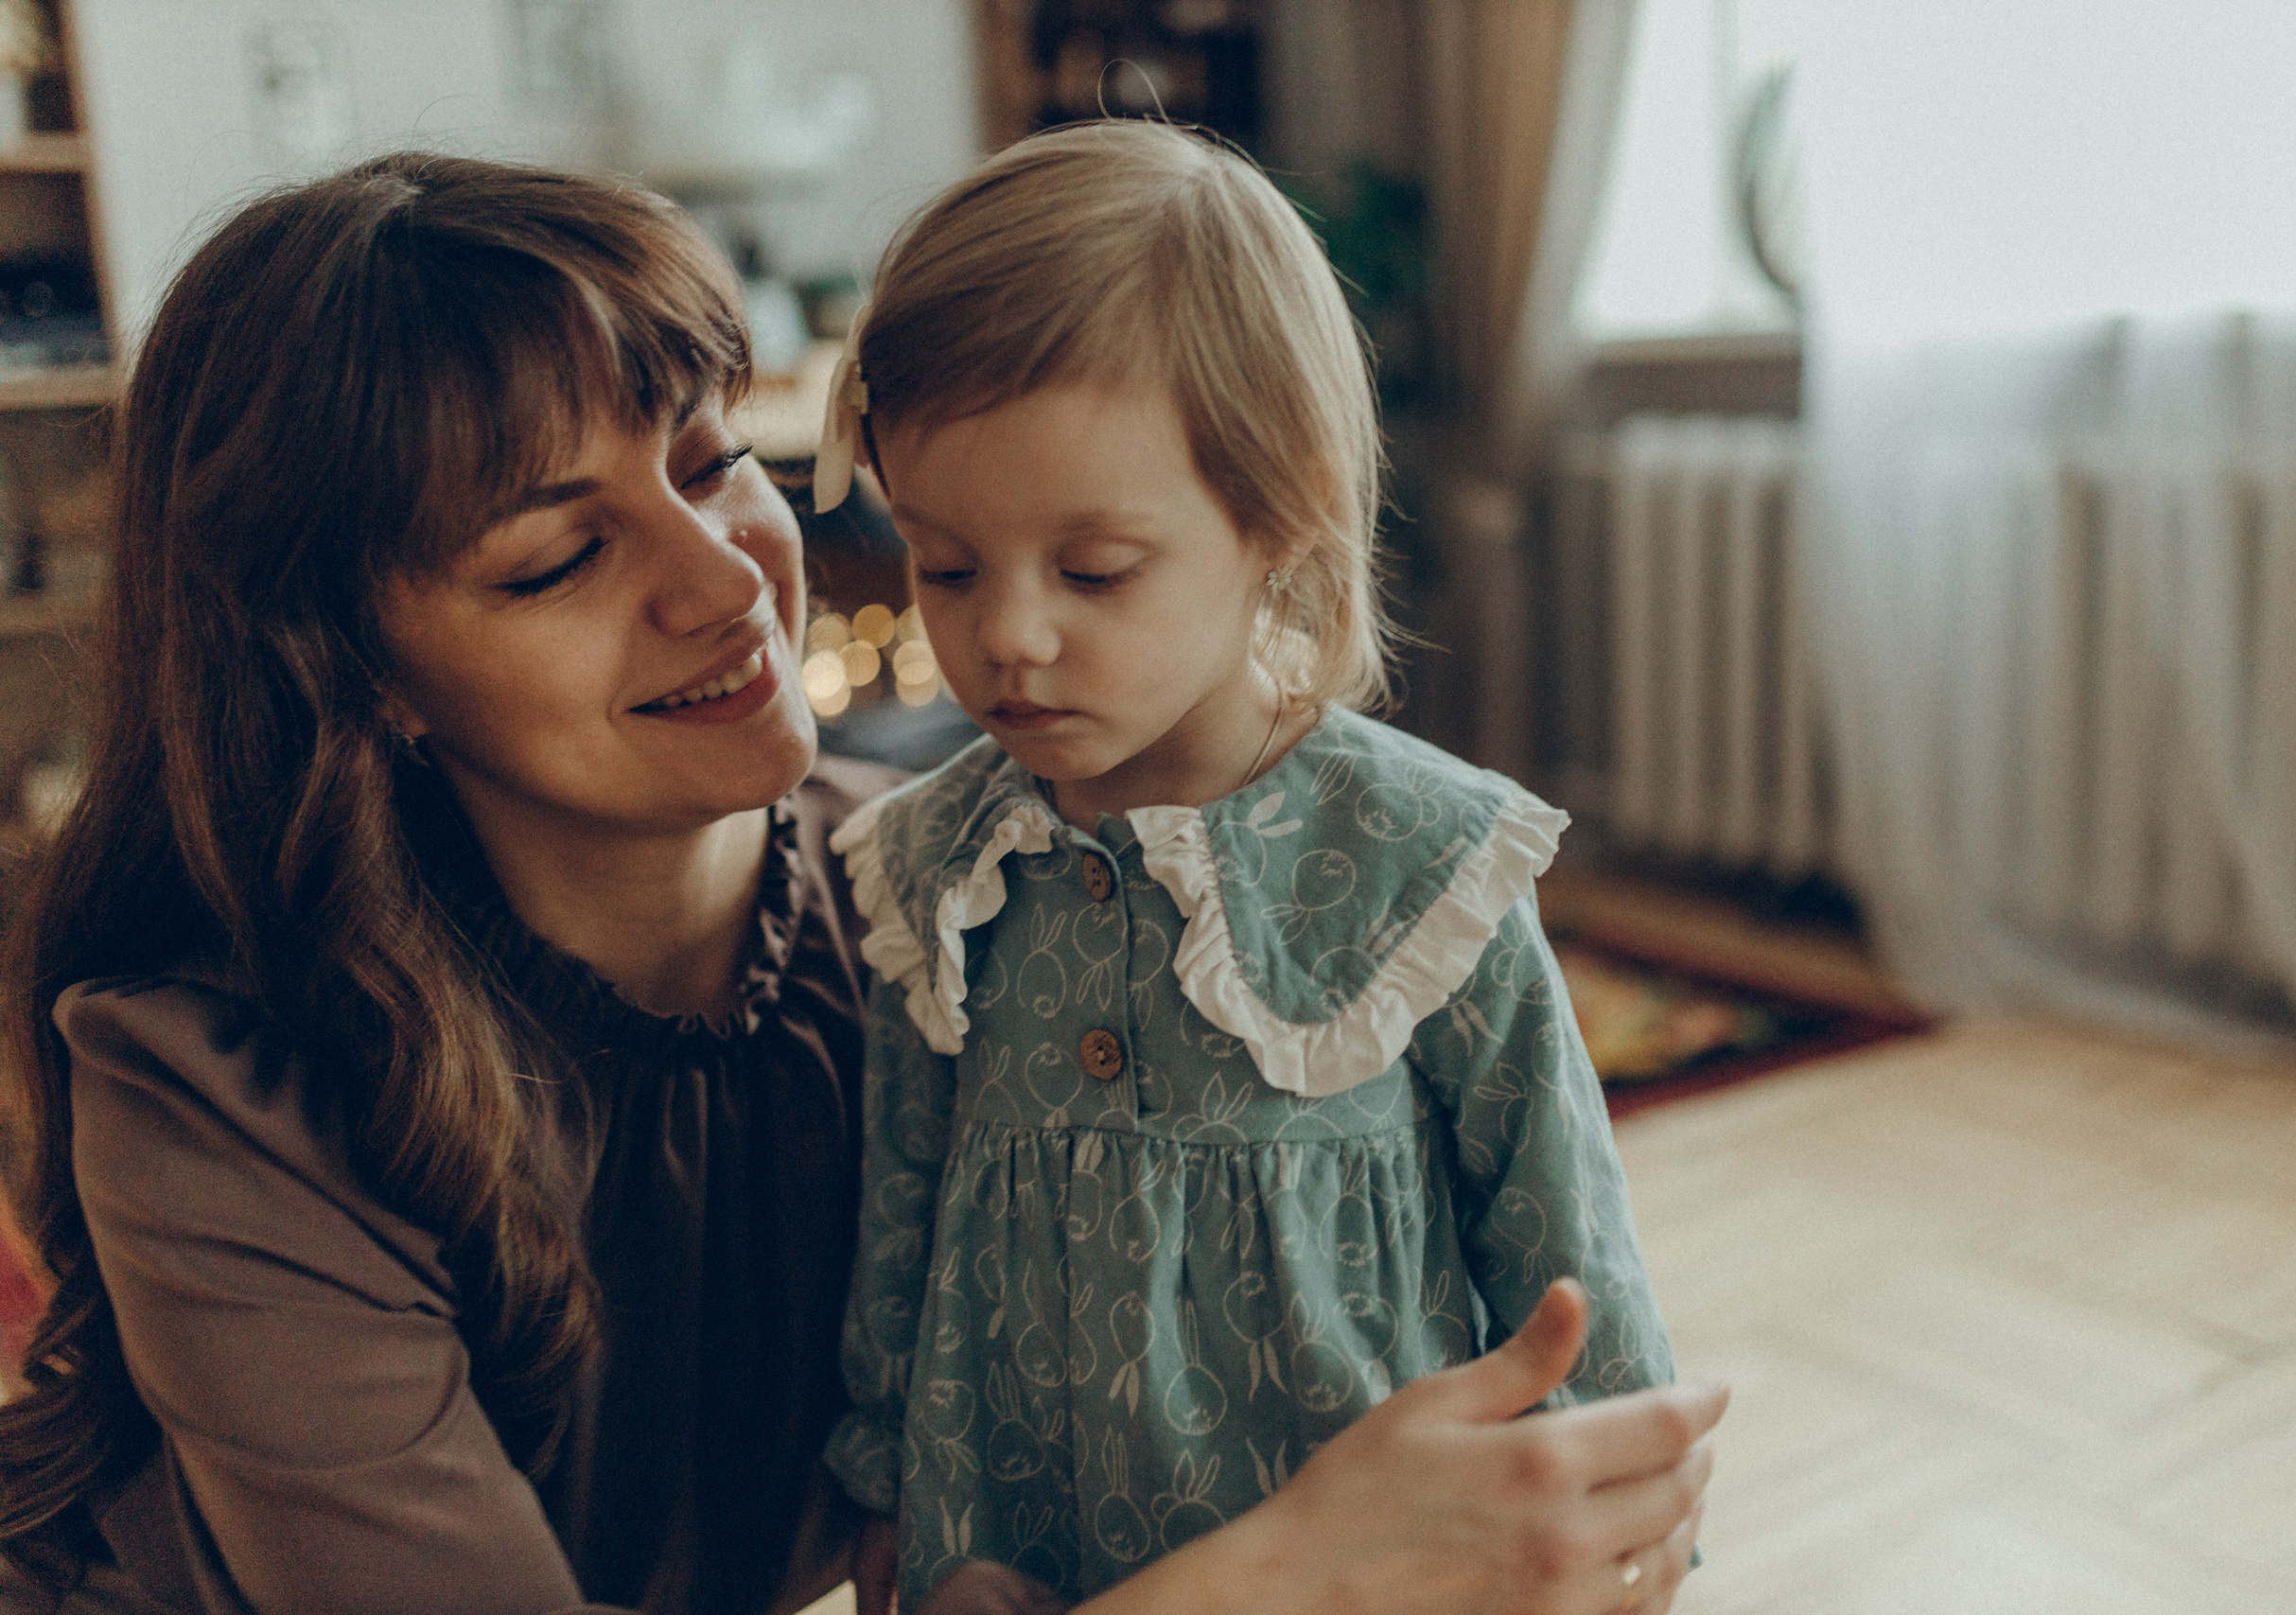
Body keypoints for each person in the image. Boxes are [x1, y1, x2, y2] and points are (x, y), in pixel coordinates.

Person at [0, 151, 1723, 1615]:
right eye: (562, 555)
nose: (724, 581)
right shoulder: (222, 1094)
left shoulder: (947, 903)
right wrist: (1296, 1573)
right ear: (354, 668)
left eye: (708, 462)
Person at [815, 123, 1680, 1615]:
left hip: (1363, 1547)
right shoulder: (934, 864)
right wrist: (884, 1473)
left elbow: (1560, 1218)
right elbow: (902, 1195)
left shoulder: (1420, 859)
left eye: (1093, 571)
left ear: (1277, 520)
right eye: (946, 565)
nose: (1006, 634)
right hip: (1014, 1529)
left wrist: (1612, 1513)